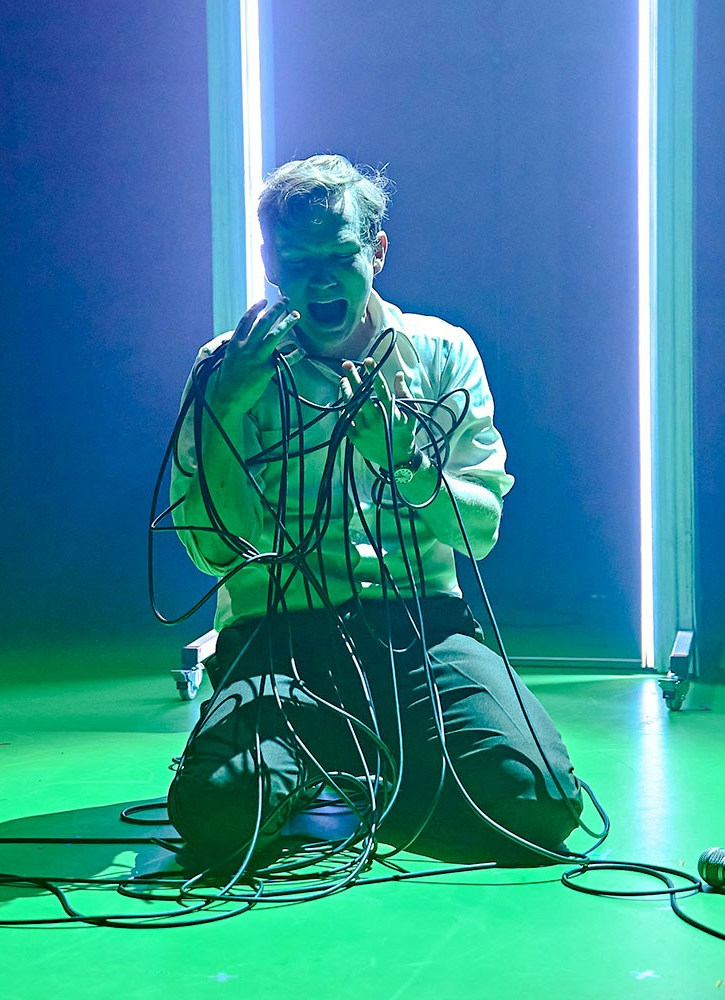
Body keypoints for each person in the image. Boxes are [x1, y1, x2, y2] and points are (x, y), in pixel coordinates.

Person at [164, 154, 585, 872]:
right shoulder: (222, 368)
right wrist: (225, 413)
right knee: (215, 815)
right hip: (275, 641)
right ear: (269, 260)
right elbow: (210, 552)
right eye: (298, 259)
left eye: (340, 254)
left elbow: (479, 531)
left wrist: (406, 462)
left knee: (538, 803)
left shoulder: (442, 354)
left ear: (378, 251)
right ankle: (309, 751)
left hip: (419, 631)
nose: (321, 278)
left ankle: (380, 754)